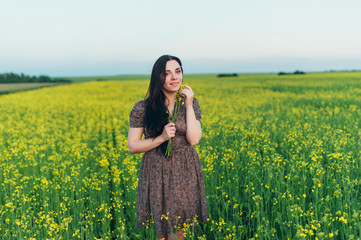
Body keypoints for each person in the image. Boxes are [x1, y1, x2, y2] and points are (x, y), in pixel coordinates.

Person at [128, 55, 208, 240]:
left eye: (178, 71)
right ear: (158, 77)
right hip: (156, 169)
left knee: (176, 230)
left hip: (184, 169)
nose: (174, 77)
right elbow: (133, 146)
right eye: (167, 73)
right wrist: (161, 138)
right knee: (162, 233)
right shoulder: (143, 108)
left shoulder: (190, 103)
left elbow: (194, 139)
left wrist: (188, 104)